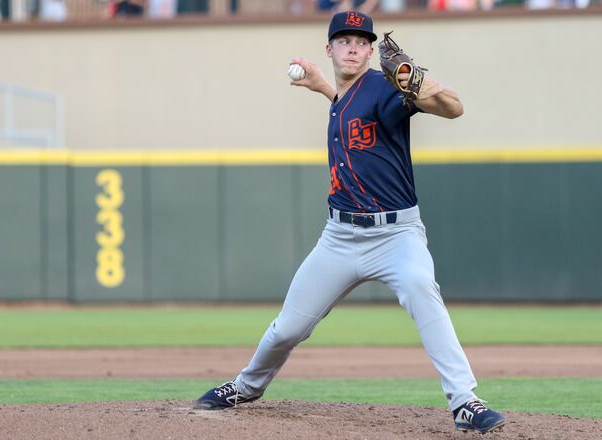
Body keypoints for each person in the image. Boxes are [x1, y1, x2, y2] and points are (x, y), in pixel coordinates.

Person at [194, 10, 507, 435]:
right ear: (331, 49)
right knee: (288, 327)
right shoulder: (343, 98)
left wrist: (415, 82)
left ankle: (466, 402)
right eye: (345, 40)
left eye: (362, 41)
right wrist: (322, 85)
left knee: (420, 289)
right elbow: (346, 105)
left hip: (396, 234)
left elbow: (454, 108)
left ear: (372, 50)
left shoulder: (384, 87)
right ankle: (246, 386)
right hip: (339, 238)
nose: (354, 47)